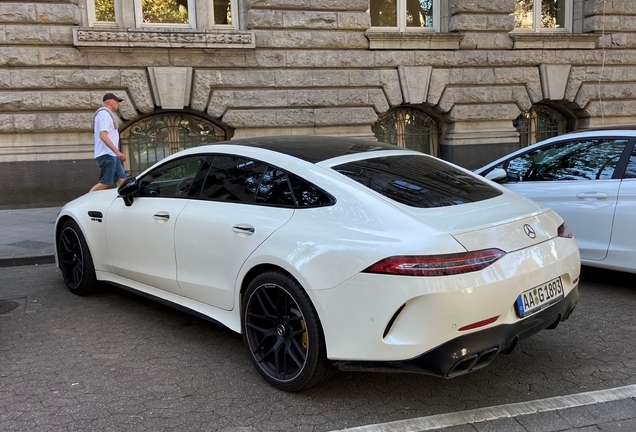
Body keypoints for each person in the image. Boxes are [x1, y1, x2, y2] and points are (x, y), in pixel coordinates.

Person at [89, 92, 127, 192]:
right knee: (105, 182)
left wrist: (115, 153)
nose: (119, 104)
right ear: (109, 101)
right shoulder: (104, 114)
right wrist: (117, 152)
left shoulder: (108, 115)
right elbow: (103, 135)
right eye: (117, 101)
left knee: (121, 179)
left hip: (111, 154)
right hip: (106, 154)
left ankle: (121, 202)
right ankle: (85, 202)